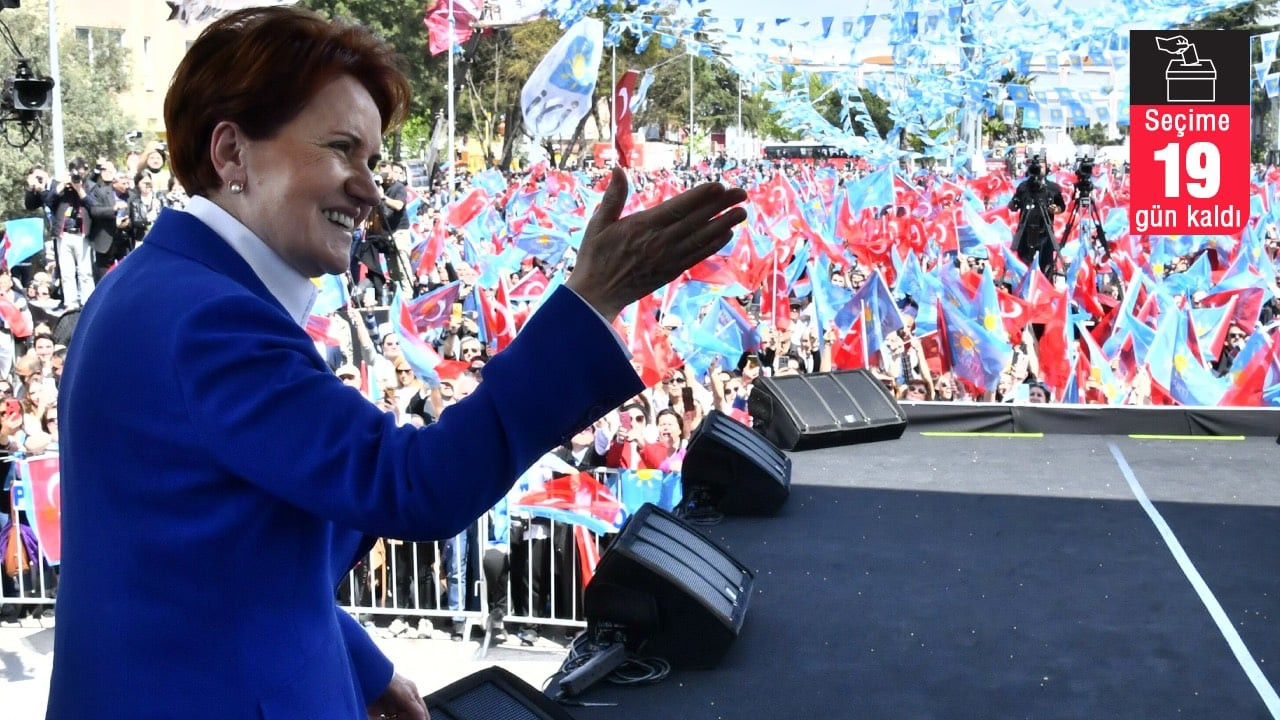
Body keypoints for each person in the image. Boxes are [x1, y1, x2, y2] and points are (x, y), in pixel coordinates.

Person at [46, 7, 747, 720]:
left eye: (372, 160)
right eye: (343, 149)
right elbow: (413, 484)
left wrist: (363, 668)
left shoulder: (153, 287)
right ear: (232, 155)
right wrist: (590, 299)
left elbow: (221, 564)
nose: (371, 188)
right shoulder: (207, 320)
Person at [1008, 152, 1065, 279]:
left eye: (1041, 166)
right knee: (1023, 268)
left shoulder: (1053, 188)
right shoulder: (1023, 187)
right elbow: (1015, 202)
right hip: (1026, 233)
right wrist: (1012, 205)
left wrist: (1057, 209)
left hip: (1045, 232)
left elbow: (1062, 206)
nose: (1038, 169)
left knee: (1046, 269)